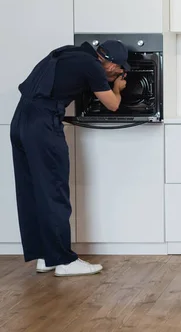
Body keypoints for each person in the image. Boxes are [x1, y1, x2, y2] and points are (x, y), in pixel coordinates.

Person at [10, 39, 130, 276]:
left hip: (20, 121)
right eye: (119, 68)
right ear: (109, 62)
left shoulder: (70, 54)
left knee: (33, 191)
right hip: (43, 125)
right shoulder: (93, 67)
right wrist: (117, 88)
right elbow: (112, 104)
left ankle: (46, 256)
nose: (120, 72)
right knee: (54, 190)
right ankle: (65, 261)